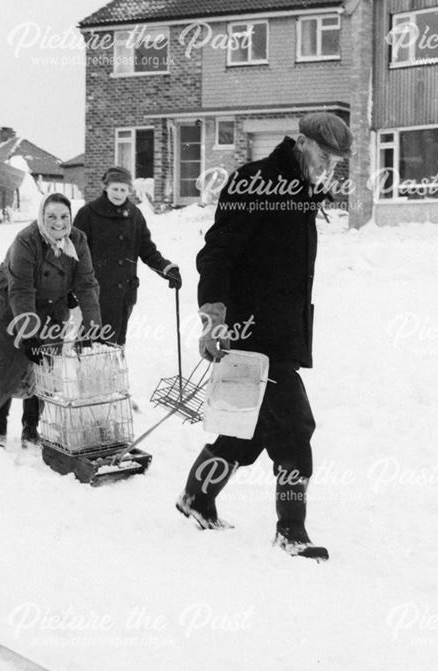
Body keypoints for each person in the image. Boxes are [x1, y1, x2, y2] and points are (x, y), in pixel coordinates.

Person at [176, 112, 351, 561]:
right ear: (300, 142)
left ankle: (197, 497)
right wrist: (213, 315)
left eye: (335, 160)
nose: (329, 165)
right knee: (295, 429)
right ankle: (291, 531)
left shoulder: (301, 191)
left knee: (247, 430)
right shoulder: (257, 182)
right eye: (323, 154)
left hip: (280, 332)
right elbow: (217, 252)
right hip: (254, 334)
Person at [0, 193, 102, 448]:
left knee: (43, 365)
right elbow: (21, 290)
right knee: (9, 361)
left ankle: (31, 427)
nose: (58, 223)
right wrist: (28, 333)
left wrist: (93, 324)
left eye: (64, 216)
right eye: (51, 216)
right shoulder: (26, 241)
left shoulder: (78, 241)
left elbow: (86, 283)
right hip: (9, 304)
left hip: (51, 306)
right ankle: (0, 422)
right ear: (41, 216)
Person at [72, 167, 182, 347]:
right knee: (90, 350)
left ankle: (112, 374)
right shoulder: (88, 214)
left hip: (124, 295)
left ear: (129, 191)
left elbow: (146, 249)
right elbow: (74, 254)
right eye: (115, 188)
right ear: (105, 187)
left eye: (123, 189)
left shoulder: (135, 215)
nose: (118, 193)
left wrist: (165, 268)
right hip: (95, 295)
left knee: (115, 349)